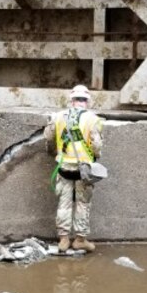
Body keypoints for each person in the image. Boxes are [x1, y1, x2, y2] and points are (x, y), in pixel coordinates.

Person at [44, 85, 104, 253]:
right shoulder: (93, 119)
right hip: (84, 169)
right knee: (82, 203)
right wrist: (95, 157)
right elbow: (97, 145)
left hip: (63, 166)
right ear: (88, 101)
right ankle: (80, 240)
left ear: (71, 100)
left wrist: (54, 152)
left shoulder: (57, 117)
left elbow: (48, 138)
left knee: (64, 204)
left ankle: (63, 239)